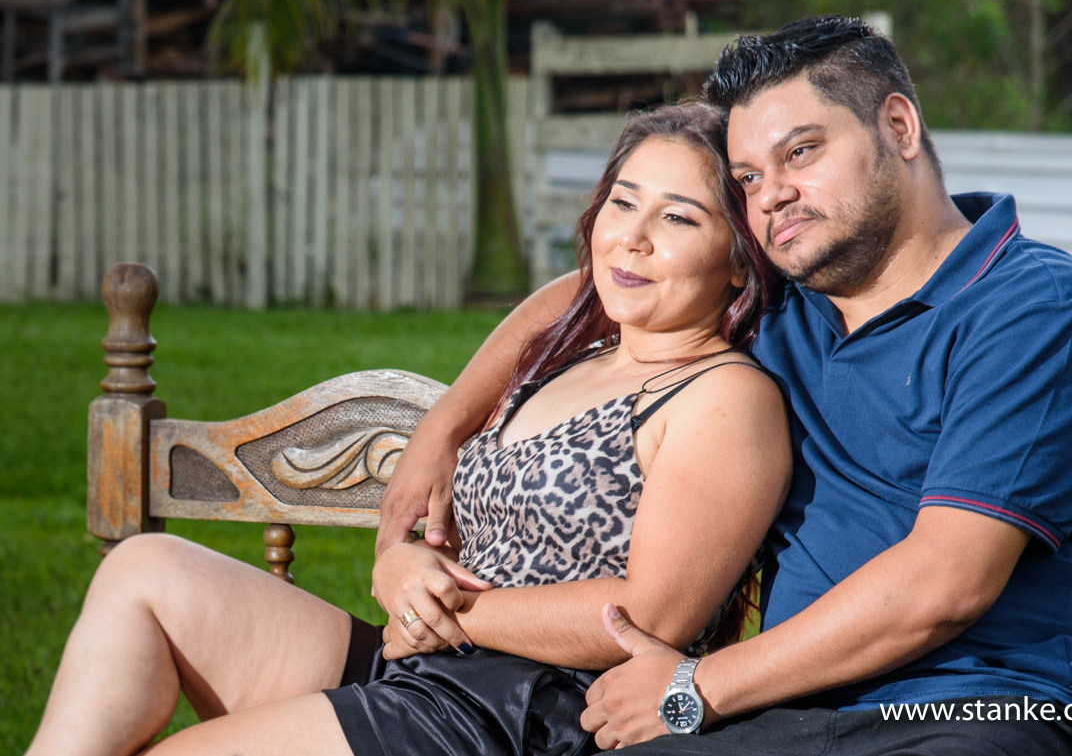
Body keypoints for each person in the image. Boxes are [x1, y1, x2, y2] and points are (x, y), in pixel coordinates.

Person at [374, 16, 1072, 755]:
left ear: (899, 127)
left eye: (801, 152)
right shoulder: (786, 298)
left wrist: (697, 686)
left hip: (976, 705)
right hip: (789, 711)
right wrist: (445, 424)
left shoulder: (1033, 312)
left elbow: (943, 585)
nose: (770, 194)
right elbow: (590, 290)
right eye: (748, 177)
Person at [23, 104, 793, 756]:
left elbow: (653, 615)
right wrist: (405, 551)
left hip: (525, 712)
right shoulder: (578, 347)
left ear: (737, 261)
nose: (634, 236)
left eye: (679, 217)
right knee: (145, 571)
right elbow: (572, 286)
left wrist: (435, 606)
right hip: (434, 669)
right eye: (623, 202)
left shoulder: (723, 398)